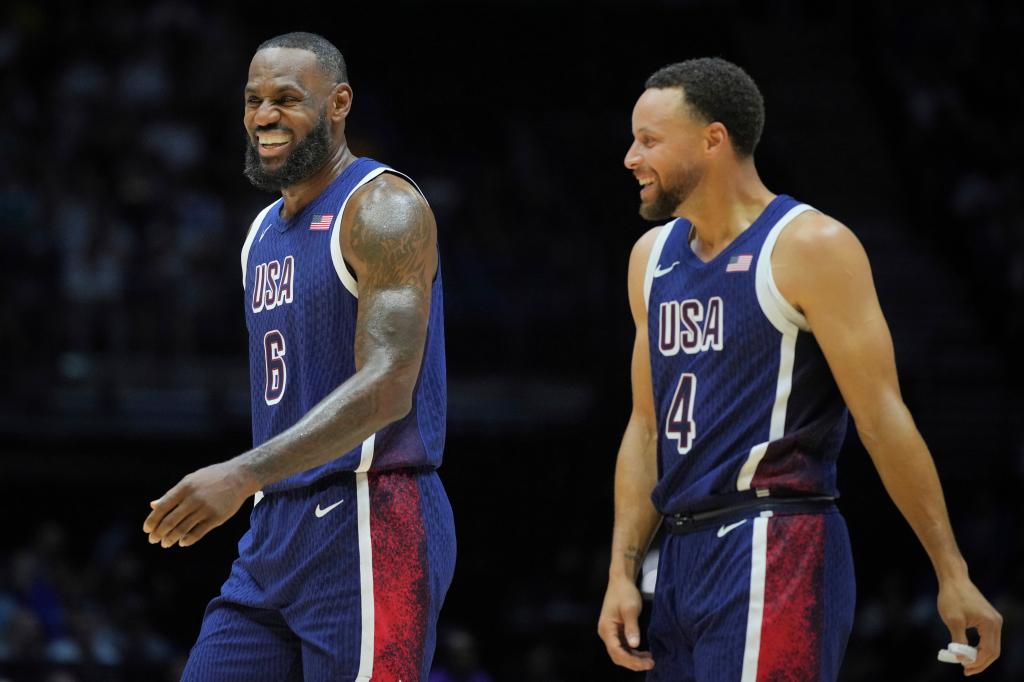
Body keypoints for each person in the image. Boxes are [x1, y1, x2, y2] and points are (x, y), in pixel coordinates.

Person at [597, 58, 1002, 680]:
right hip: (678, 554)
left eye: (649, 140)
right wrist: (623, 569)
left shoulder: (810, 246)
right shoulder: (649, 259)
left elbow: (882, 418)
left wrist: (951, 571)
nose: (630, 157)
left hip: (776, 539)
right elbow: (646, 429)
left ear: (714, 139)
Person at [142, 32, 455, 682]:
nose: (262, 117)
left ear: (339, 103)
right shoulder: (261, 231)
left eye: (286, 99)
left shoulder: (383, 208)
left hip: (371, 515)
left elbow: (390, 384)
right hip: (275, 527)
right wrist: (256, 484)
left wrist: (239, 474)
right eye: (253, 100)